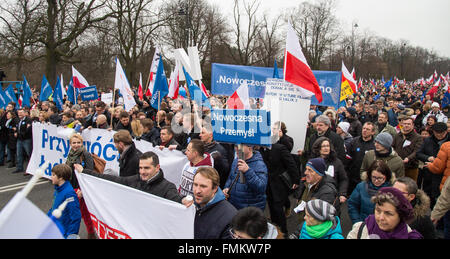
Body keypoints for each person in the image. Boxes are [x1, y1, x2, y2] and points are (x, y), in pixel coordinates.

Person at [74, 151, 185, 203]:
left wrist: (184, 201)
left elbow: (177, 202)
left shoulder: (168, 188)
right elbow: (111, 180)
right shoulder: (136, 179)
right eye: (140, 168)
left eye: (146, 168)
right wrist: (85, 172)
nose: (142, 171)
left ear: (157, 167)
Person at [347, 187, 423, 239]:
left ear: (400, 216)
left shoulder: (410, 236)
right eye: (378, 211)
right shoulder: (360, 229)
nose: (381, 217)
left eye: (388, 213)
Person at [192, 167, 237, 239]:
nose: (197, 191)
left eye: (203, 186)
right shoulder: (189, 204)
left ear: (215, 188)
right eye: (195, 184)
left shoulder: (230, 217)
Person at [65, 133, 95, 238]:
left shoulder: (85, 154)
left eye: (78, 143)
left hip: (80, 188)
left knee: (84, 213)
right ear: (70, 144)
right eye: (74, 143)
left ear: (82, 143)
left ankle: (91, 233)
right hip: (71, 186)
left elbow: (89, 172)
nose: (76, 145)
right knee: (70, 212)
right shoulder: (70, 154)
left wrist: (83, 190)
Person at [293, 157, 338, 226]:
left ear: (319, 174)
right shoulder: (308, 182)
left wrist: (299, 232)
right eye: (306, 169)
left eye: (310, 170)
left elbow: (318, 219)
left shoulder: (327, 193)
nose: (305, 172)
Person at [348, 160, 394, 224]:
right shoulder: (361, 187)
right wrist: (357, 223)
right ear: (369, 175)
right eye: (374, 177)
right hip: (364, 225)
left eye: (380, 178)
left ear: (386, 177)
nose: (376, 181)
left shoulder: (393, 190)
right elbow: (352, 205)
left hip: (385, 226)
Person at [223, 144, 268, 211]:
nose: (236, 149)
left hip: (250, 209)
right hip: (234, 205)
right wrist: (226, 188)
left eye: (240, 146)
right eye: (235, 146)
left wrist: (247, 171)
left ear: (250, 148)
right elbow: (231, 178)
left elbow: (261, 188)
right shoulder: (236, 160)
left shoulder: (259, 164)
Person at [417, 122, 449, 207]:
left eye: (442, 133)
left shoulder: (448, 143)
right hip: (429, 176)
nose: (439, 135)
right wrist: (428, 158)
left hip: (444, 176)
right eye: (436, 133)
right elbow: (419, 154)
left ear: (446, 131)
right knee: (429, 200)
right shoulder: (428, 140)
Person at [311, 137, 348, 205]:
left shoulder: (337, 162)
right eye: (323, 146)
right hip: (314, 195)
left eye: (328, 146)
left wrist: (342, 194)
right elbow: (305, 177)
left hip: (331, 196)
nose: (326, 148)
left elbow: (343, 179)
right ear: (318, 148)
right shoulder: (312, 161)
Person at [48, 164, 82, 239]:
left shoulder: (69, 194)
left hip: (65, 232)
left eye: (53, 175)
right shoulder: (57, 189)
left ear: (61, 178)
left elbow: (76, 216)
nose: (51, 177)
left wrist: (72, 234)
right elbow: (54, 207)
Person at [345, 122, 376, 195]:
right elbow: (347, 158)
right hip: (352, 177)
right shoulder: (354, 141)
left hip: (366, 178)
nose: (364, 131)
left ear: (373, 132)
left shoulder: (375, 145)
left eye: (368, 129)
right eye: (364, 128)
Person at [392, 117, 423, 182]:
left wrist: (408, 158)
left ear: (413, 125)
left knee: (410, 186)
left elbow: (417, 151)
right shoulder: (397, 135)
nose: (406, 125)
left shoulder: (418, 137)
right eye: (405, 124)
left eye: (408, 124)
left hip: (411, 167)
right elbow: (392, 147)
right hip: (398, 166)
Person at [14, 108, 33, 174]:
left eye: (21, 113)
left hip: (26, 139)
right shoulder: (18, 120)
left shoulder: (28, 120)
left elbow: (27, 130)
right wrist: (16, 131)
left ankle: (31, 168)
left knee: (29, 154)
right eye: (19, 113)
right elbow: (17, 127)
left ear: (25, 113)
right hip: (19, 140)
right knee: (19, 154)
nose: (19, 114)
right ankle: (19, 167)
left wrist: (20, 133)